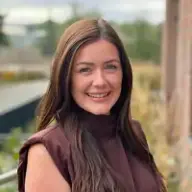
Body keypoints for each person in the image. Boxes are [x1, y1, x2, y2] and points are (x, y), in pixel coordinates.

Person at [17, 18, 167, 192]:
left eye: (111, 67)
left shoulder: (134, 134)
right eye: (85, 70)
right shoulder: (48, 151)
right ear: (66, 78)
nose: (100, 81)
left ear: (123, 73)